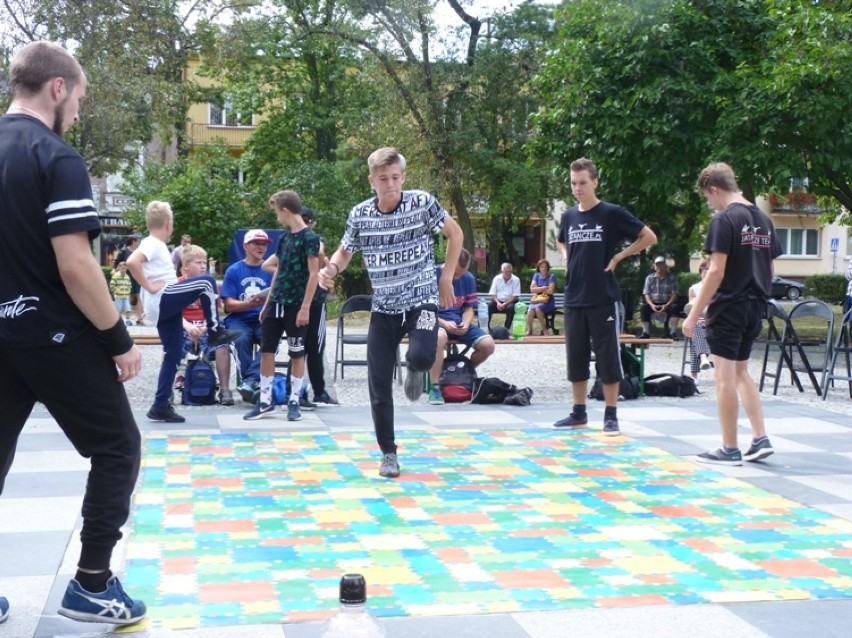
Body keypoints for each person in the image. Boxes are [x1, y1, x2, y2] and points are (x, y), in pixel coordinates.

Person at [0, 40, 146, 625]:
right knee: (117, 447)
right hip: (53, 334)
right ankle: (90, 583)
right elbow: (77, 265)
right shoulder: (55, 156)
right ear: (57, 88)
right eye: (79, 98)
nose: (79, 112)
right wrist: (118, 339)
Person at [317, 147, 463, 478]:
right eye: (383, 179)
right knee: (378, 383)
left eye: (396, 178)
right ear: (372, 181)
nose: (390, 185)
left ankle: (415, 367)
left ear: (404, 177)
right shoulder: (360, 215)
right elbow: (344, 253)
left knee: (425, 354)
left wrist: (446, 277)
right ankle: (388, 453)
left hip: (422, 301)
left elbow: (456, 234)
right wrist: (331, 271)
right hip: (383, 309)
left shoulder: (423, 203)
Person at [683, 162, 782, 465]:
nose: (709, 204)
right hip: (756, 306)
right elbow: (771, 268)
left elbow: (715, 273)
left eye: (707, 198)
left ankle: (729, 448)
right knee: (741, 372)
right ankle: (760, 437)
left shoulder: (724, 219)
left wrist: (692, 316)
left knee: (724, 377)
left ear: (714, 189)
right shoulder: (763, 219)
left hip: (729, 307)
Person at [554, 157, 657, 436]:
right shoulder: (569, 216)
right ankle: (578, 413)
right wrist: (565, 257)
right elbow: (561, 240)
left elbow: (648, 236)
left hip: (603, 297)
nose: (578, 188)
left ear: (595, 182)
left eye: (583, 183)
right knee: (575, 358)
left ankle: (611, 416)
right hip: (574, 296)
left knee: (608, 357)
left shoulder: (611, 213)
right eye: (574, 183)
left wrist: (620, 256)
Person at [127, 201, 240, 423]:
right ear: (169, 224)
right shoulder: (154, 243)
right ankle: (216, 331)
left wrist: (148, 288)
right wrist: (149, 287)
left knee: (173, 353)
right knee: (207, 282)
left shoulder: (154, 244)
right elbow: (132, 262)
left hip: (163, 306)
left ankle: (160, 405)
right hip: (164, 298)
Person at [243, 190, 320, 422]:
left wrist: (306, 307)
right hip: (276, 303)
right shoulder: (284, 239)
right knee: (267, 349)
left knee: (297, 352)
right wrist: (267, 303)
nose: (278, 218)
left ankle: (294, 399)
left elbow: (314, 274)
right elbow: (278, 272)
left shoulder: (310, 238)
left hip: (296, 305)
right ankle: (265, 400)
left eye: (277, 213)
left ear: (285, 211)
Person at [427, 249, 496, 404]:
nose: (458, 277)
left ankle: (462, 373)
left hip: (458, 322)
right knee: (439, 337)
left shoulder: (468, 278)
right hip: (437, 322)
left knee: (488, 345)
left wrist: (465, 322)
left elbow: (468, 308)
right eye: (456, 273)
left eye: (462, 273)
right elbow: (424, 310)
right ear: (449, 262)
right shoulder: (431, 275)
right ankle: (435, 387)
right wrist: (444, 323)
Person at [221, 229, 274, 403]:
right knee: (240, 339)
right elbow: (229, 305)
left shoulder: (271, 270)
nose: (261, 247)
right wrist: (247, 304)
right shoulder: (234, 270)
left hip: (264, 318)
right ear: (245, 246)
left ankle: (249, 382)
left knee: (271, 338)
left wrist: (266, 302)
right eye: (257, 243)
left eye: (264, 244)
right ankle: (252, 384)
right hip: (239, 319)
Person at [178, 244, 234, 405]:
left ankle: (224, 389)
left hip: (206, 325)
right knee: (170, 344)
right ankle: (168, 390)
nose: (203, 266)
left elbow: (214, 313)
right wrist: (189, 327)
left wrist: (205, 327)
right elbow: (174, 314)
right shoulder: (178, 284)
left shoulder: (211, 285)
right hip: (185, 325)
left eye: (204, 263)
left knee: (222, 343)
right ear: (186, 266)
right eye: (198, 263)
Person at [295, 208, 338, 407]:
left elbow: (320, 252)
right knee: (297, 348)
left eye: (306, 221)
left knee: (315, 348)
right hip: (296, 300)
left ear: (313, 223)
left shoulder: (314, 238)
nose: (303, 224)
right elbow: (270, 265)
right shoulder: (290, 239)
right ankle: (297, 392)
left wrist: (319, 265)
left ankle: (319, 391)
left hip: (315, 301)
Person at [638, 256, 681, 339]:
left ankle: (673, 333)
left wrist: (667, 305)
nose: (659, 267)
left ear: (665, 266)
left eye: (661, 264)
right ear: (654, 267)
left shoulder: (672, 278)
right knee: (644, 308)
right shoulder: (649, 278)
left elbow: (674, 294)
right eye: (657, 265)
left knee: (675, 307)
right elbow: (646, 294)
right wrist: (651, 305)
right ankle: (645, 332)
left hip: (667, 303)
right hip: (653, 303)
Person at [685, 259, 712, 384]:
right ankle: (703, 358)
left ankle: (694, 376)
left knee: (695, 332)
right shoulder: (694, 289)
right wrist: (698, 319)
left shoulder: (718, 288)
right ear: (700, 271)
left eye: (709, 269)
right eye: (704, 269)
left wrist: (708, 320)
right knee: (695, 327)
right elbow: (691, 309)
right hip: (699, 322)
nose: (706, 272)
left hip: (715, 322)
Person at [526, 258, 557, 336]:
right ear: (539, 268)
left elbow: (550, 291)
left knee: (538, 308)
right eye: (542, 267)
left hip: (548, 301)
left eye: (546, 267)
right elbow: (532, 290)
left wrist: (538, 289)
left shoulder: (551, 276)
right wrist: (544, 287)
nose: (544, 268)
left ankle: (544, 330)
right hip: (537, 299)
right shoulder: (536, 275)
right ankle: (530, 330)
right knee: (530, 311)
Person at [114, 236, 142, 322]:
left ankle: (140, 318)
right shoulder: (124, 251)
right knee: (126, 297)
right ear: (133, 242)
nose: (139, 243)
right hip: (126, 277)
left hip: (137, 276)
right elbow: (116, 263)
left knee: (139, 296)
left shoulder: (138, 252)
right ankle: (123, 318)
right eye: (138, 241)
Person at [487, 263, 521, 330]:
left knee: (511, 308)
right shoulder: (496, 279)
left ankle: (506, 329)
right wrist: (498, 303)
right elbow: (492, 293)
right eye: (506, 272)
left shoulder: (516, 280)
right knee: (489, 306)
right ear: (502, 271)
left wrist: (505, 304)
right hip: (498, 301)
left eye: (509, 272)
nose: (508, 274)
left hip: (510, 301)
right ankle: (485, 327)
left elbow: (515, 296)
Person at [110, 261, 134, 325]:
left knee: (128, 308)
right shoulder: (116, 276)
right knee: (118, 309)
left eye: (125, 268)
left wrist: (129, 290)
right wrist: (115, 291)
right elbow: (112, 284)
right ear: (119, 268)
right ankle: (118, 321)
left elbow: (129, 284)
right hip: (118, 296)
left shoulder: (127, 277)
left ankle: (128, 320)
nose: (124, 270)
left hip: (126, 296)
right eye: (122, 268)